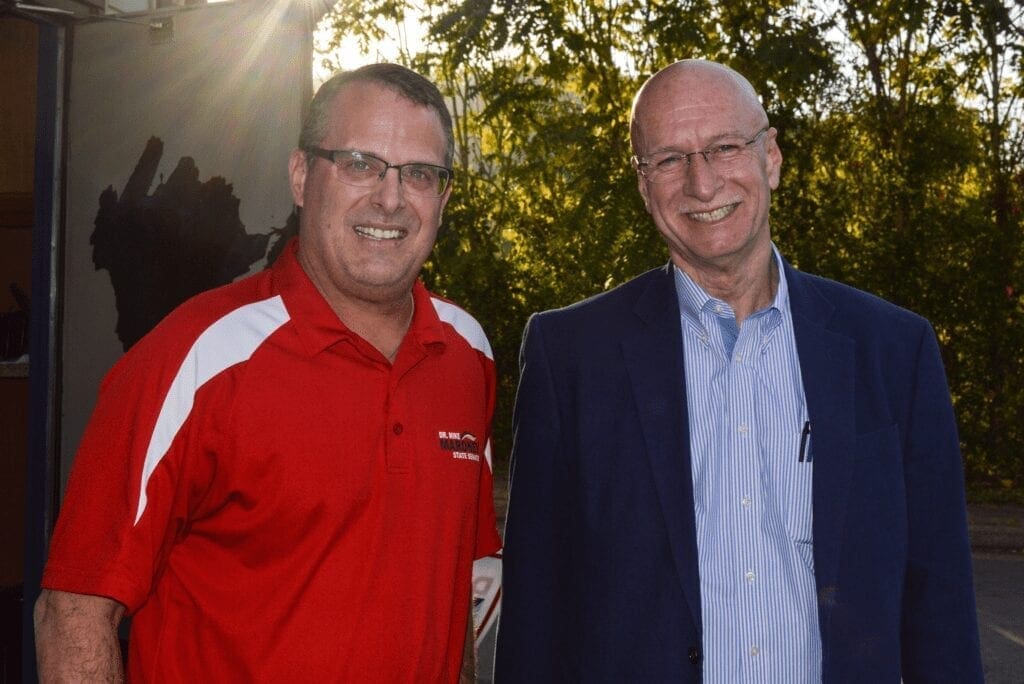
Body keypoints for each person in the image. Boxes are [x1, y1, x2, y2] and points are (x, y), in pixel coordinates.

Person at [494, 59, 983, 682]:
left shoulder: (893, 351)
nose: (701, 183)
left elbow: (939, 601)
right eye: (669, 159)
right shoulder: (570, 356)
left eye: (724, 147)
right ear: (644, 186)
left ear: (770, 157)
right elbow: (536, 607)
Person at [34, 63, 501, 682]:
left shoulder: (466, 355)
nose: (390, 198)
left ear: (441, 198)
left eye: (419, 174)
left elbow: (454, 592)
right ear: (303, 176)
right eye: (360, 163)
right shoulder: (195, 357)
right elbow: (73, 611)